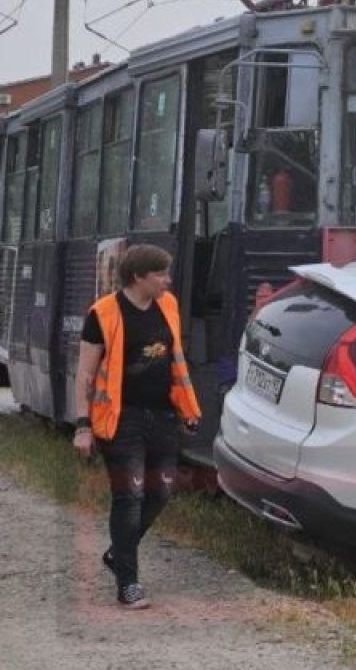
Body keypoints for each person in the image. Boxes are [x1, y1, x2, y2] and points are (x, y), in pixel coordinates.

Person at [72, 244, 202, 610]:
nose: (167, 280)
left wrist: (186, 409)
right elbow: (84, 373)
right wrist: (83, 426)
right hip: (121, 419)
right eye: (161, 274)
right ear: (138, 277)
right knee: (129, 497)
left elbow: (175, 360)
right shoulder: (103, 314)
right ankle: (128, 583)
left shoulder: (169, 305)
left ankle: (119, 553)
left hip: (162, 416)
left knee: (160, 492)